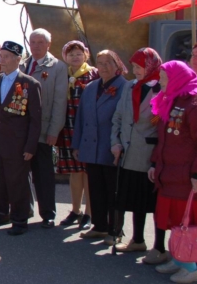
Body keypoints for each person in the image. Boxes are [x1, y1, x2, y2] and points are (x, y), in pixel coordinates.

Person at [0, 41, 42, 236]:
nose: (3, 60)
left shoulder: (30, 84)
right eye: (2, 56)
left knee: (17, 183)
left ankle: (19, 219)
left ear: (18, 59)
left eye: (7, 57)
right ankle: (0, 213)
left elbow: (35, 119)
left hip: (17, 144)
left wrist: (30, 146)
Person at [148, 61, 197, 282]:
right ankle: (179, 259)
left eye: (164, 77)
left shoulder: (194, 104)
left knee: (187, 222)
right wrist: (154, 164)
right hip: (169, 174)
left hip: (186, 177)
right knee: (174, 221)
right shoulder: (172, 100)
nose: (160, 81)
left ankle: (192, 267)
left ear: (177, 78)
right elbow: (163, 140)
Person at [111, 48, 163, 258]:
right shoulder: (130, 87)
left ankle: (159, 246)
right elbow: (118, 118)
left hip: (149, 154)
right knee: (133, 200)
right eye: (133, 66)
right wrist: (115, 142)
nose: (135, 70)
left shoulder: (162, 89)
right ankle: (138, 240)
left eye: (139, 66)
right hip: (127, 153)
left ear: (151, 65)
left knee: (154, 202)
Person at [72, 50, 128, 245]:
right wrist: (77, 143)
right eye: (100, 63)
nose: (103, 67)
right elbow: (80, 118)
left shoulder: (124, 87)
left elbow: (125, 121)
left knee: (113, 190)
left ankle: (115, 230)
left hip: (110, 146)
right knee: (95, 189)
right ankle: (99, 225)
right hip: (90, 146)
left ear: (117, 65)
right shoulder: (91, 87)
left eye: (108, 63)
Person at [22, 28, 67, 228]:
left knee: (43, 175)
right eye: (33, 42)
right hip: (21, 131)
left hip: (42, 131)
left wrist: (53, 130)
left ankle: (48, 213)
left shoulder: (58, 67)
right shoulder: (22, 65)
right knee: (21, 173)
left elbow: (59, 102)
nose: (36, 46)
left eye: (41, 42)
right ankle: (24, 209)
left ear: (49, 44)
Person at [57, 40, 99, 230]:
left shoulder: (94, 74)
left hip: (88, 130)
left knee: (88, 172)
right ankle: (76, 210)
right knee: (74, 172)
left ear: (86, 55)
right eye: (71, 53)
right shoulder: (61, 74)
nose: (75, 57)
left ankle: (90, 212)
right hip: (68, 128)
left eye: (78, 53)